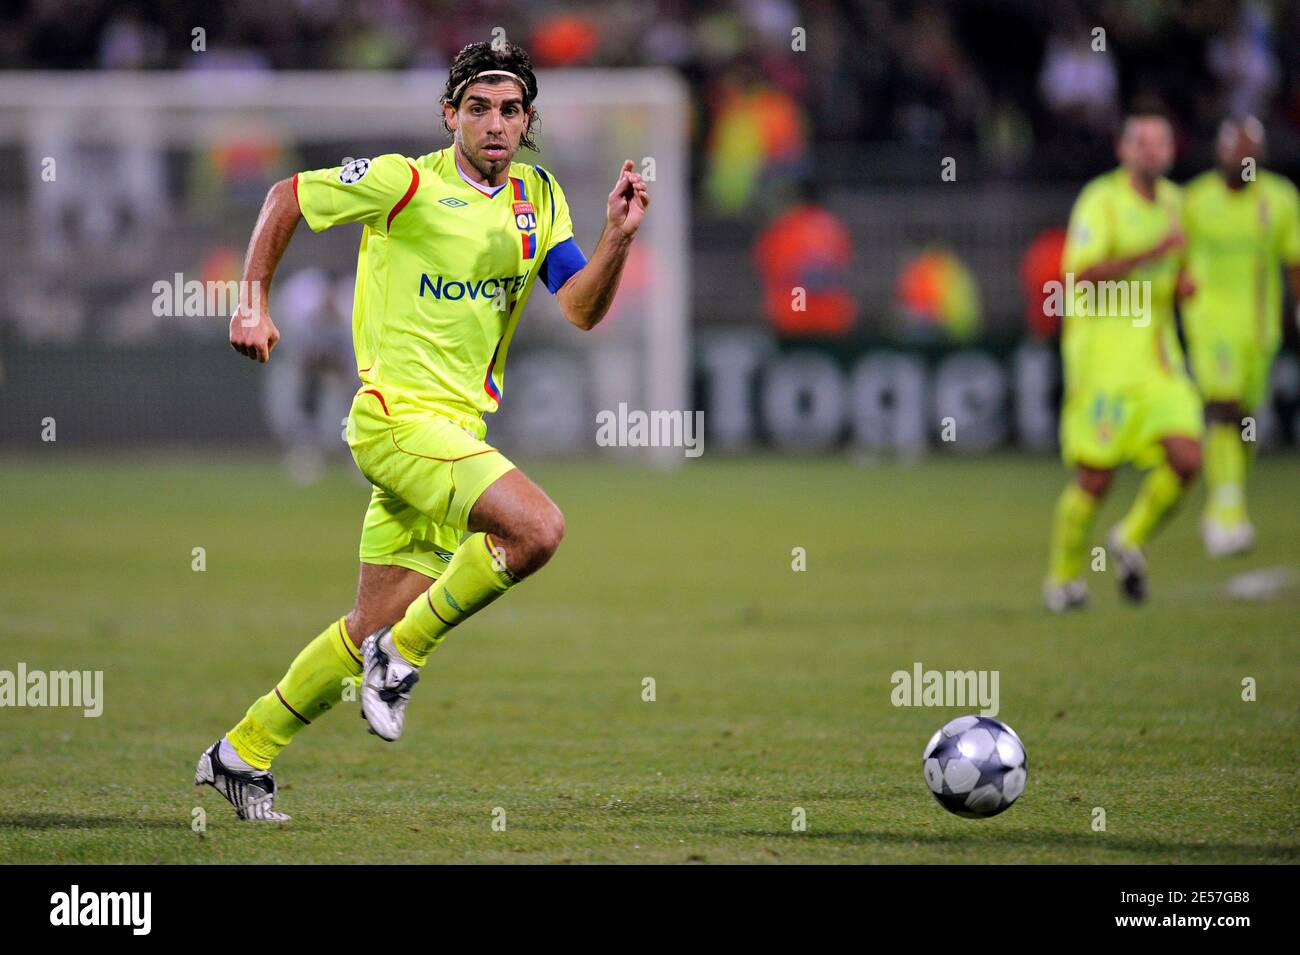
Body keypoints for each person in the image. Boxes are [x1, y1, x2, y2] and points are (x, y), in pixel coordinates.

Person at [195, 41, 650, 820]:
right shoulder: (402, 181)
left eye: (511, 110)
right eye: (478, 108)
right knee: (536, 529)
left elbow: (578, 306)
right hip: (395, 419)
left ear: (527, 120)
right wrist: (252, 300)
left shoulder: (538, 196)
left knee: (365, 623)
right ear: (450, 115)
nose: (496, 123)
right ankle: (404, 655)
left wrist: (618, 236)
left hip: (455, 429)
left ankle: (242, 751)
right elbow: (286, 195)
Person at [1043, 106, 1202, 612]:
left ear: (1172, 151)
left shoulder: (1179, 203)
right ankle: (1063, 580)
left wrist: (1181, 285)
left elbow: (1175, 275)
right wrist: (1150, 254)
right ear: (1124, 151)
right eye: (1143, 142)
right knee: (1096, 477)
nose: (1153, 151)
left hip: (1157, 360)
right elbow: (1079, 278)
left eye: (1161, 142)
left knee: (1187, 458)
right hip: (1103, 361)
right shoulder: (1102, 202)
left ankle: (1128, 538)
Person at [1181, 115, 1300, 556]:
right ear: (1221, 154)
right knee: (1223, 409)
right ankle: (1228, 512)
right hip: (1211, 324)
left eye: (1251, 152)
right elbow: (1174, 255)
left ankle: (1222, 503)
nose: (1243, 159)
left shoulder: (1281, 199)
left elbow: (1293, 262)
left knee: (1248, 422)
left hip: (1261, 329)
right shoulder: (1195, 201)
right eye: (1236, 151)